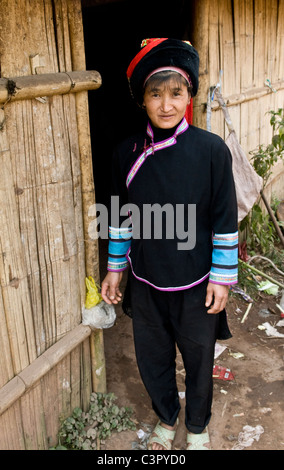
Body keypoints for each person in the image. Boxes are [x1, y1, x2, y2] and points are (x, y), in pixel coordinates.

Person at [101, 38, 238, 451]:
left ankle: (197, 426)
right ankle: (166, 417)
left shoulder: (211, 151)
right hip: (146, 282)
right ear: (142, 99)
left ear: (189, 94)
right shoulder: (126, 153)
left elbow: (225, 220)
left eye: (175, 93)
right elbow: (120, 216)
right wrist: (114, 268)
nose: (166, 105)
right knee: (153, 359)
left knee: (198, 361)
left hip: (197, 281)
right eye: (155, 94)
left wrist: (222, 278)